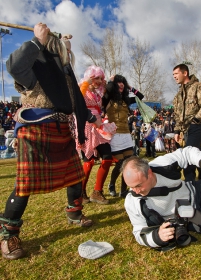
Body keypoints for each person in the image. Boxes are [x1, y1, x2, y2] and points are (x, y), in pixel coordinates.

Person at [0, 23, 99, 260]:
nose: (66, 55)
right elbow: (13, 65)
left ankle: (74, 213)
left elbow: (74, 97)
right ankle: (7, 235)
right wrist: (37, 41)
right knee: (24, 185)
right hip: (34, 132)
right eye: (61, 51)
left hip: (60, 129)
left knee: (75, 175)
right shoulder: (35, 67)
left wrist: (90, 115)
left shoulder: (62, 72)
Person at [78, 65, 116, 203]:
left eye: (101, 78)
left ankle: (97, 191)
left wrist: (110, 82)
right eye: (97, 78)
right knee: (88, 161)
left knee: (107, 158)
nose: (100, 81)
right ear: (90, 77)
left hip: (99, 128)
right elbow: (77, 101)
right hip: (86, 127)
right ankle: (80, 192)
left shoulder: (99, 93)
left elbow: (110, 90)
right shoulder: (82, 89)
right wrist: (86, 82)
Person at [102, 75, 144, 197]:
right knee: (120, 163)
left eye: (123, 82)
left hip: (126, 134)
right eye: (118, 83)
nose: (121, 84)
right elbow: (108, 89)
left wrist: (129, 87)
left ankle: (123, 190)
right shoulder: (107, 98)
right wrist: (111, 81)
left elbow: (140, 97)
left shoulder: (126, 99)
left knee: (128, 163)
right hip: (115, 135)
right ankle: (111, 184)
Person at [173, 61, 201, 182]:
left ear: (185, 73)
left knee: (188, 153)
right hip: (184, 130)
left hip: (197, 126)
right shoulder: (179, 94)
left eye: (176, 73)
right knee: (197, 151)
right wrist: (177, 130)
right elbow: (177, 114)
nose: (174, 76)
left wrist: (196, 119)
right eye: (173, 74)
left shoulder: (199, 87)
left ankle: (190, 181)